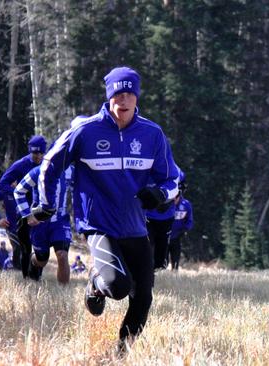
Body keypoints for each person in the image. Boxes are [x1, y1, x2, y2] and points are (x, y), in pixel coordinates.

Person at [36, 66, 179, 352]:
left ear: (137, 98)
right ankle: (95, 285)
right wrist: (47, 204)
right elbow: (49, 165)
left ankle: (120, 353)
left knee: (143, 298)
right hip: (98, 225)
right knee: (118, 286)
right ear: (109, 96)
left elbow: (173, 179)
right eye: (118, 94)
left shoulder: (152, 134)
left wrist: (160, 193)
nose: (123, 100)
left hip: (136, 226)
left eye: (129, 94)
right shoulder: (85, 131)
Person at [0, 135, 47, 272]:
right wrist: (18, 193)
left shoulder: (49, 163)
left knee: (40, 245)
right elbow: (2, 183)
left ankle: (36, 275)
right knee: (24, 246)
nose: (38, 156)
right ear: (30, 151)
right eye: (34, 153)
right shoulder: (20, 164)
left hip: (42, 210)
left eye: (41, 153)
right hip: (23, 210)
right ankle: (23, 275)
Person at [14, 165, 71, 284]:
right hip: (39, 223)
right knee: (42, 260)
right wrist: (28, 215)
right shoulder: (37, 172)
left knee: (62, 255)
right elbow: (18, 191)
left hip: (60, 222)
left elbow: (82, 191)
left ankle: (63, 295)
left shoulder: (71, 171)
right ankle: (33, 262)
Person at [147, 166, 183, 270]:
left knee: (162, 251)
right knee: (147, 245)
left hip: (166, 217)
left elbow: (180, 189)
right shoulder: (145, 166)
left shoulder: (176, 171)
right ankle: (147, 271)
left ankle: (159, 268)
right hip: (147, 216)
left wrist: (169, 200)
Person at [0, 188, 22, 270]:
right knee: (18, 247)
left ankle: (31, 274)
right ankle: (17, 271)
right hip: (12, 226)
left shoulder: (30, 182)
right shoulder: (5, 187)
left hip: (28, 226)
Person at [168, 188, 193, 271]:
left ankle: (174, 272)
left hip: (177, 236)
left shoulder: (186, 205)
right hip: (164, 235)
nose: (174, 200)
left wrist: (185, 230)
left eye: (175, 198)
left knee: (175, 257)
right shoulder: (165, 203)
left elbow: (189, 220)